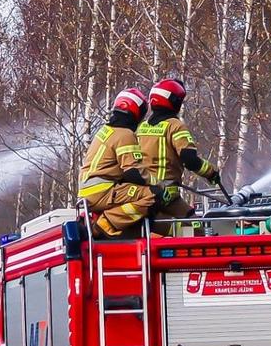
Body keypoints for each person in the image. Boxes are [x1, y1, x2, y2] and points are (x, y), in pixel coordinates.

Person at [136, 77, 221, 232]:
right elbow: (190, 160)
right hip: (165, 195)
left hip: (144, 194)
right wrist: (211, 173)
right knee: (197, 230)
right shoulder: (175, 126)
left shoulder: (142, 127)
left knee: (177, 224)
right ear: (173, 102)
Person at [78, 88, 153, 239]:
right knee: (152, 196)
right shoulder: (125, 134)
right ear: (137, 113)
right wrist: (157, 184)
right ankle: (106, 224)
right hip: (102, 191)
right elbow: (133, 172)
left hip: (88, 191)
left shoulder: (106, 130)